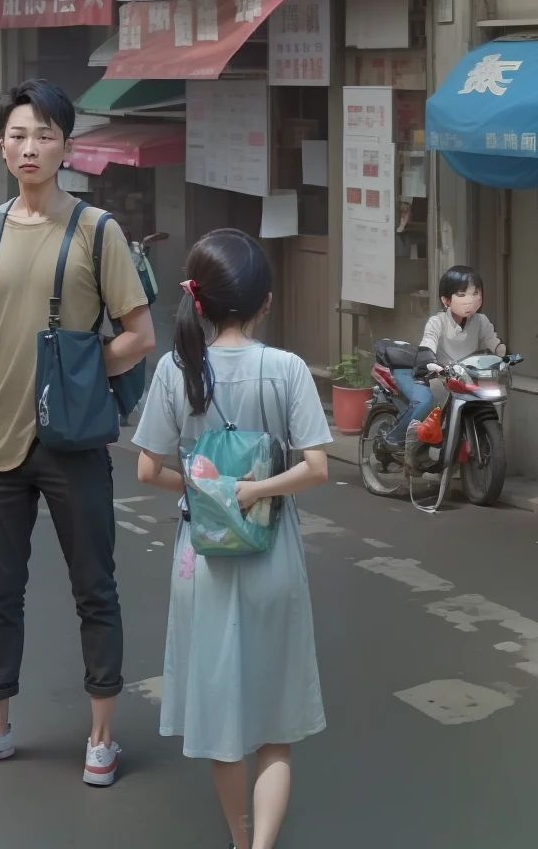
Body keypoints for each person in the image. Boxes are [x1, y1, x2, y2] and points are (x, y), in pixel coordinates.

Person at [0, 81, 155, 786]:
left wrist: (82, 371)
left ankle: (101, 737)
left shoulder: (97, 231)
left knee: (95, 587)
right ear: (2, 146)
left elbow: (140, 336)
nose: (31, 147)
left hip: (73, 444)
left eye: (46, 135)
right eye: (20, 135)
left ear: (66, 146)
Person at [132, 230, 330, 849]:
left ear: (201, 301)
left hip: (204, 562)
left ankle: (240, 842)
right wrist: (256, 491)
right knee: (276, 726)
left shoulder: (175, 370)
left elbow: (147, 468)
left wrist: (210, 494)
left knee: (223, 718)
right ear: (265, 301)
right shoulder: (287, 369)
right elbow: (318, 466)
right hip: (274, 559)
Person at [383, 263, 505, 455]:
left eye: (475, 293)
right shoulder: (437, 322)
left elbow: (494, 342)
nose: (470, 300)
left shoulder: (481, 321)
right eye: (462, 294)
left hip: (465, 379)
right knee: (424, 403)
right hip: (436, 376)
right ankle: (395, 440)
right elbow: (428, 343)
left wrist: (504, 354)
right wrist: (430, 361)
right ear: (446, 300)